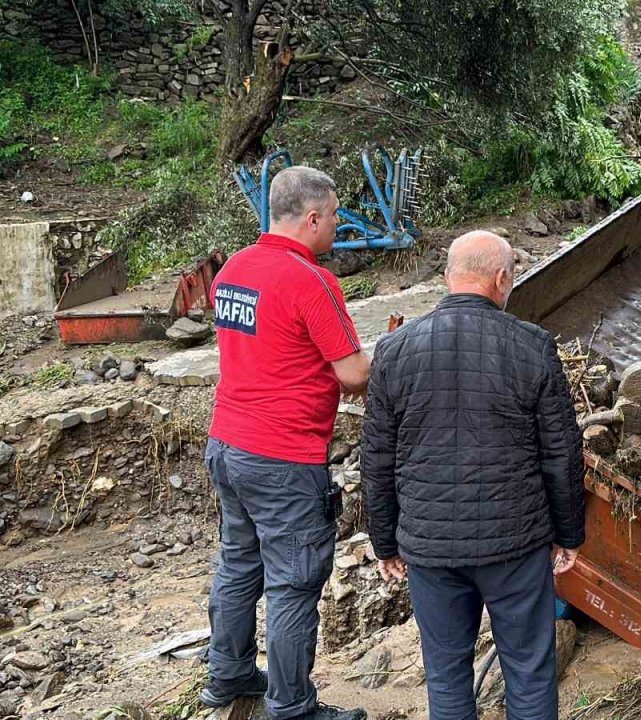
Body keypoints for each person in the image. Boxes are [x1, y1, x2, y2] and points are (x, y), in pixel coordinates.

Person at [362, 230, 586, 720]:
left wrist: (385, 541)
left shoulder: (394, 351)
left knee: (446, 676)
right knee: (528, 671)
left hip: (431, 547)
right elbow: (562, 452)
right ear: (503, 279)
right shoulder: (533, 346)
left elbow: (376, 456)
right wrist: (568, 534)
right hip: (515, 545)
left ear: (447, 278)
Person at [203, 166, 371, 720]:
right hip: (282, 456)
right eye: (337, 215)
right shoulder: (310, 280)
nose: (339, 225)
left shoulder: (233, 270)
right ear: (313, 217)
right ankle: (292, 706)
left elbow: (268, 348)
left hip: (228, 443)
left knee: (238, 565)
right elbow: (352, 375)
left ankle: (227, 676)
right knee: (294, 583)